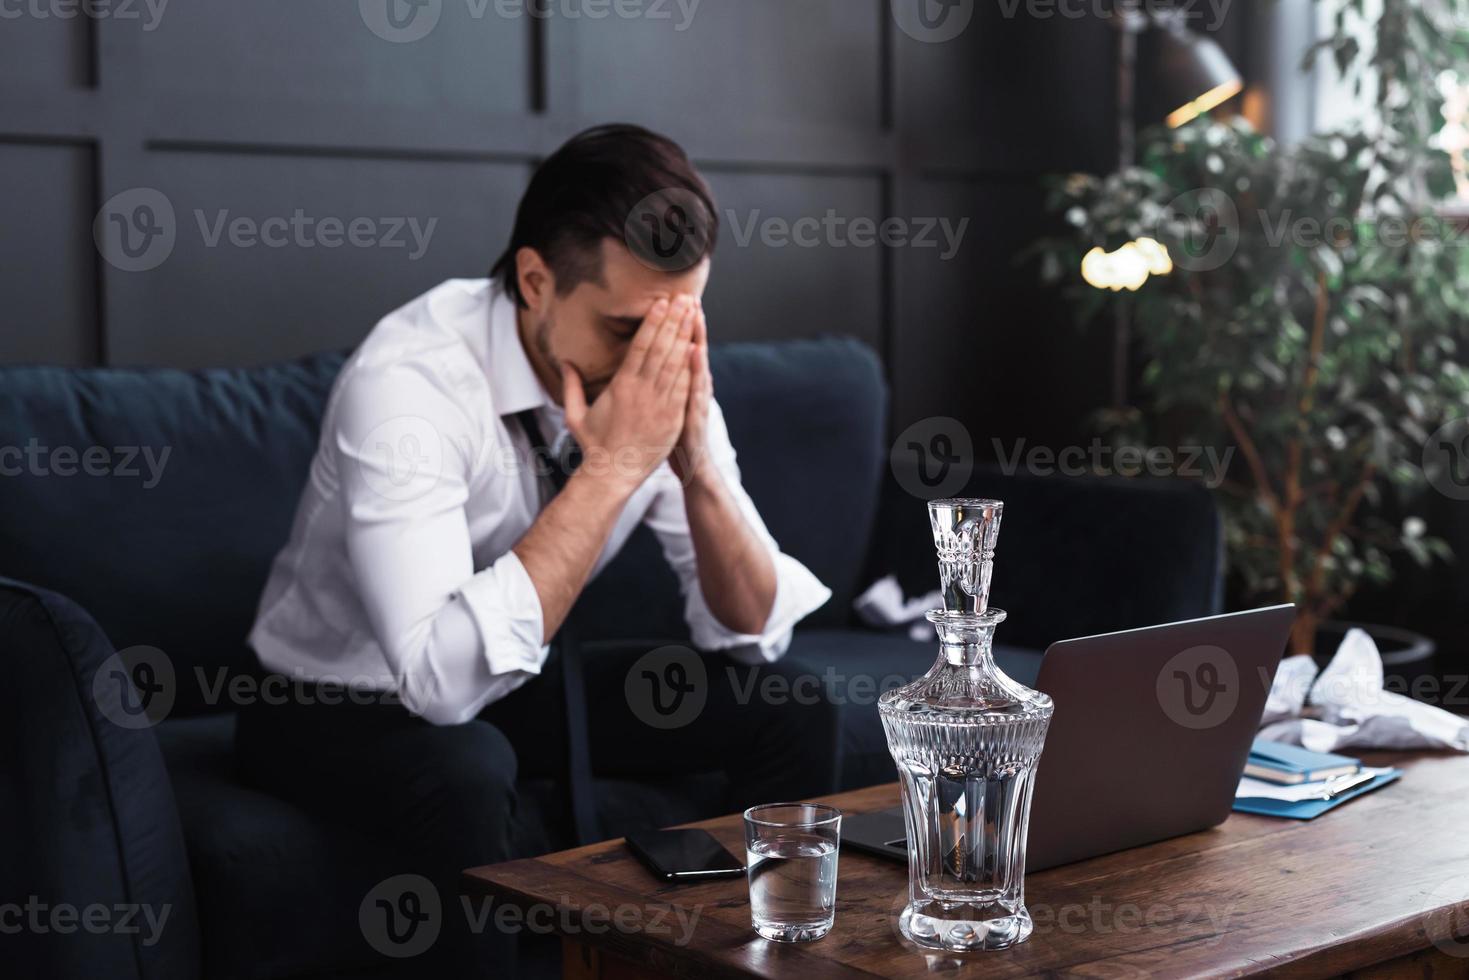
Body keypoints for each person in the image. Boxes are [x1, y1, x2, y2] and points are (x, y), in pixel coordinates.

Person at [234, 124, 839, 971]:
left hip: (514, 676)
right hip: (330, 701)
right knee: (466, 768)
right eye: (627, 329)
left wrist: (696, 465)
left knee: (790, 705)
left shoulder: (655, 356)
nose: (652, 362)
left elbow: (748, 631)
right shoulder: (408, 383)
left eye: (681, 321)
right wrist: (618, 465)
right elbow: (439, 683)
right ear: (534, 281)